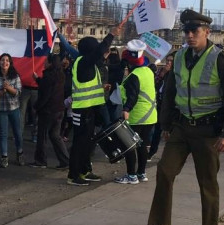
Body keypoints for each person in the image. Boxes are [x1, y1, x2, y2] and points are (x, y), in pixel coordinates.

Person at [137, 10, 224, 225]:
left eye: (195, 31)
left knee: (207, 182)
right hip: (182, 128)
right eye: (186, 31)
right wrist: (166, 125)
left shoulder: (221, 59)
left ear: (207, 32)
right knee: (164, 171)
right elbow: (170, 93)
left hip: (208, 131)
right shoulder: (181, 56)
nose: (190, 35)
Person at [67, 26, 120, 186]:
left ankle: (84, 170)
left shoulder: (89, 64)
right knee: (79, 143)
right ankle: (73, 175)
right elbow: (98, 52)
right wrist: (110, 35)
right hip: (81, 110)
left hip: (89, 110)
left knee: (88, 142)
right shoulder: (83, 62)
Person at [113, 39, 156, 185]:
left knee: (129, 145)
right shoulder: (148, 71)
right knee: (142, 145)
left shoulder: (134, 76)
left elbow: (132, 95)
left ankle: (131, 175)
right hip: (150, 115)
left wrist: (126, 110)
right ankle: (141, 173)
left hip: (136, 116)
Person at [28, 53, 69, 170]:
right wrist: (38, 80)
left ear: (50, 63)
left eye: (46, 61)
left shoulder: (48, 76)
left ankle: (40, 160)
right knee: (55, 135)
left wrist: (36, 107)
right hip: (59, 110)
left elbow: (45, 95)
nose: (44, 62)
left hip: (48, 111)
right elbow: (50, 88)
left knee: (42, 136)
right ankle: (65, 160)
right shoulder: (60, 75)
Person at [0, 53, 24, 167]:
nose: (4, 62)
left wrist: (9, 88)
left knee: (17, 133)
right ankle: (4, 157)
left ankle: (20, 153)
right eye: (2, 60)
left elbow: (18, 92)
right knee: (3, 134)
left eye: (7, 60)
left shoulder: (15, 76)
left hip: (14, 108)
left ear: (10, 63)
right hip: (1, 109)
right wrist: (2, 91)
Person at [148, 52, 175, 161]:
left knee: (170, 132)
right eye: (167, 60)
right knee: (157, 130)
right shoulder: (161, 71)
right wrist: (163, 73)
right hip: (160, 104)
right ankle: (151, 152)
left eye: (171, 61)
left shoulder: (176, 74)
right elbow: (154, 84)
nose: (168, 63)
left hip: (171, 106)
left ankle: (170, 155)